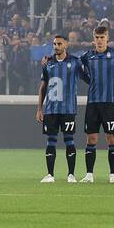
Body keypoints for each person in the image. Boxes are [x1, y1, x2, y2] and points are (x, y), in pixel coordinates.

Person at [77, 25, 114, 182]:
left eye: (102, 38)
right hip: (93, 103)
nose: (99, 41)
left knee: (111, 138)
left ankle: (113, 175)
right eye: (96, 38)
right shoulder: (87, 56)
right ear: (93, 39)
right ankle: (89, 174)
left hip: (109, 102)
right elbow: (79, 70)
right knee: (91, 138)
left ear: (107, 38)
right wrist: (89, 80)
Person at [37, 33, 80, 183]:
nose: (56, 47)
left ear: (66, 45)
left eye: (59, 44)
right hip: (51, 109)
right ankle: (50, 175)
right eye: (54, 44)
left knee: (69, 140)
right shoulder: (47, 63)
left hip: (68, 109)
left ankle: (71, 175)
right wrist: (39, 109)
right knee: (51, 141)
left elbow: (87, 76)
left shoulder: (75, 62)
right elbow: (43, 87)